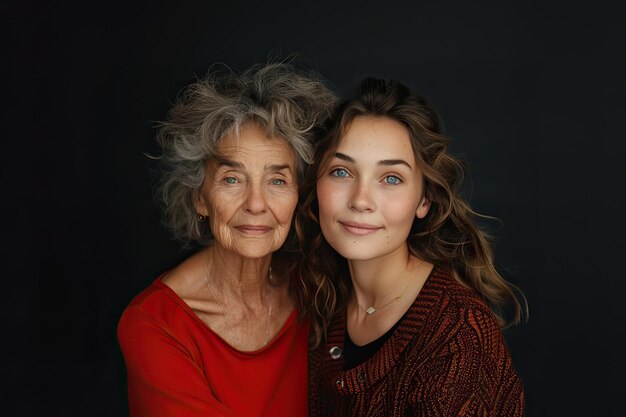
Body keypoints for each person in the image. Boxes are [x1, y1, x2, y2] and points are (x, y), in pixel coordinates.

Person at [117, 62, 336, 417]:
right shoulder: (154, 323)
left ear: (299, 196)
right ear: (200, 197)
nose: (255, 204)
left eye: (277, 181)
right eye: (232, 179)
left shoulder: (315, 286)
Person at [299, 78, 526, 416]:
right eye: (341, 172)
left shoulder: (459, 337)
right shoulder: (320, 296)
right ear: (316, 183)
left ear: (424, 200)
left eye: (391, 178)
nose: (361, 200)